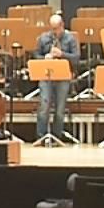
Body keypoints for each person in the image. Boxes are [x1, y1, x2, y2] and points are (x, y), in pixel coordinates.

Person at [34, 13, 80, 143]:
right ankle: (41, 137)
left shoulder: (70, 39)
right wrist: (44, 58)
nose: (54, 32)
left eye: (56, 28)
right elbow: (35, 55)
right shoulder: (43, 38)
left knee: (60, 110)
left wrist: (62, 54)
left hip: (63, 78)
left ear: (62, 26)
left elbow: (76, 59)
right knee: (44, 106)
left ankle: (56, 137)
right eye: (52, 28)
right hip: (46, 77)